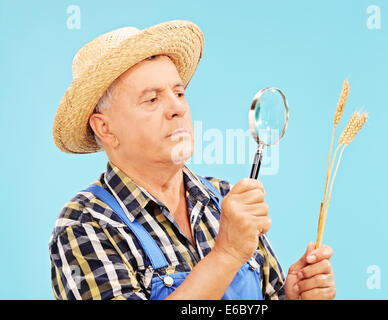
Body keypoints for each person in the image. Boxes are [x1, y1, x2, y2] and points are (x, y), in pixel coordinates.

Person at [49, 20, 336, 300]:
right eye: (152, 99)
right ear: (105, 128)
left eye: (179, 93)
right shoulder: (85, 223)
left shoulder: (224, 198)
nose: (177, 108)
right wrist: (226, 254)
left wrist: (293, 297)